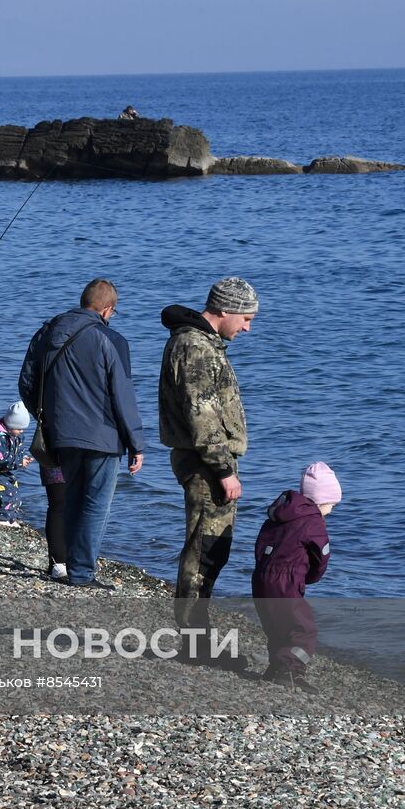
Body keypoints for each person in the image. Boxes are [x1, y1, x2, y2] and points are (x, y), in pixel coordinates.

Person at [18, 278, 145, 589]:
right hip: (104, 436)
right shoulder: (111, 340)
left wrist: (45, 417)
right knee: (96, 503)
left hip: (61, 433)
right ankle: (82, 572)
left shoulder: (47, 333)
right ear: (107, 310)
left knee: (73, 499)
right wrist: (136, 443)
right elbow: (123, 396)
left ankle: (74, 567)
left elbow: (26, 382)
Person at [158, 276, 259, 650]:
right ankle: (194, 641)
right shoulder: (196, 348)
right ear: (225, 310)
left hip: (205, 460)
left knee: (211, 546)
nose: (247, 327)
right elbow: (202, 417)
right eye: (246, 318)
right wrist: (223, 470)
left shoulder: (199, 343)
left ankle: (196, 634)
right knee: (205, 548)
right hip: (205, 464)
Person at [252, 463, 340, 694]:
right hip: (286, 579)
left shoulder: (279, 514)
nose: (332, 509)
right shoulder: (313, 521)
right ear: (322, 501)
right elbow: (321, 555)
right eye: (333, 504)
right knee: (303, 630)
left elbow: (261, 544)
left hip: (261, 576)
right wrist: (309, 578)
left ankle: (276, 667)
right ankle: (290, 671)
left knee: (276, 625)